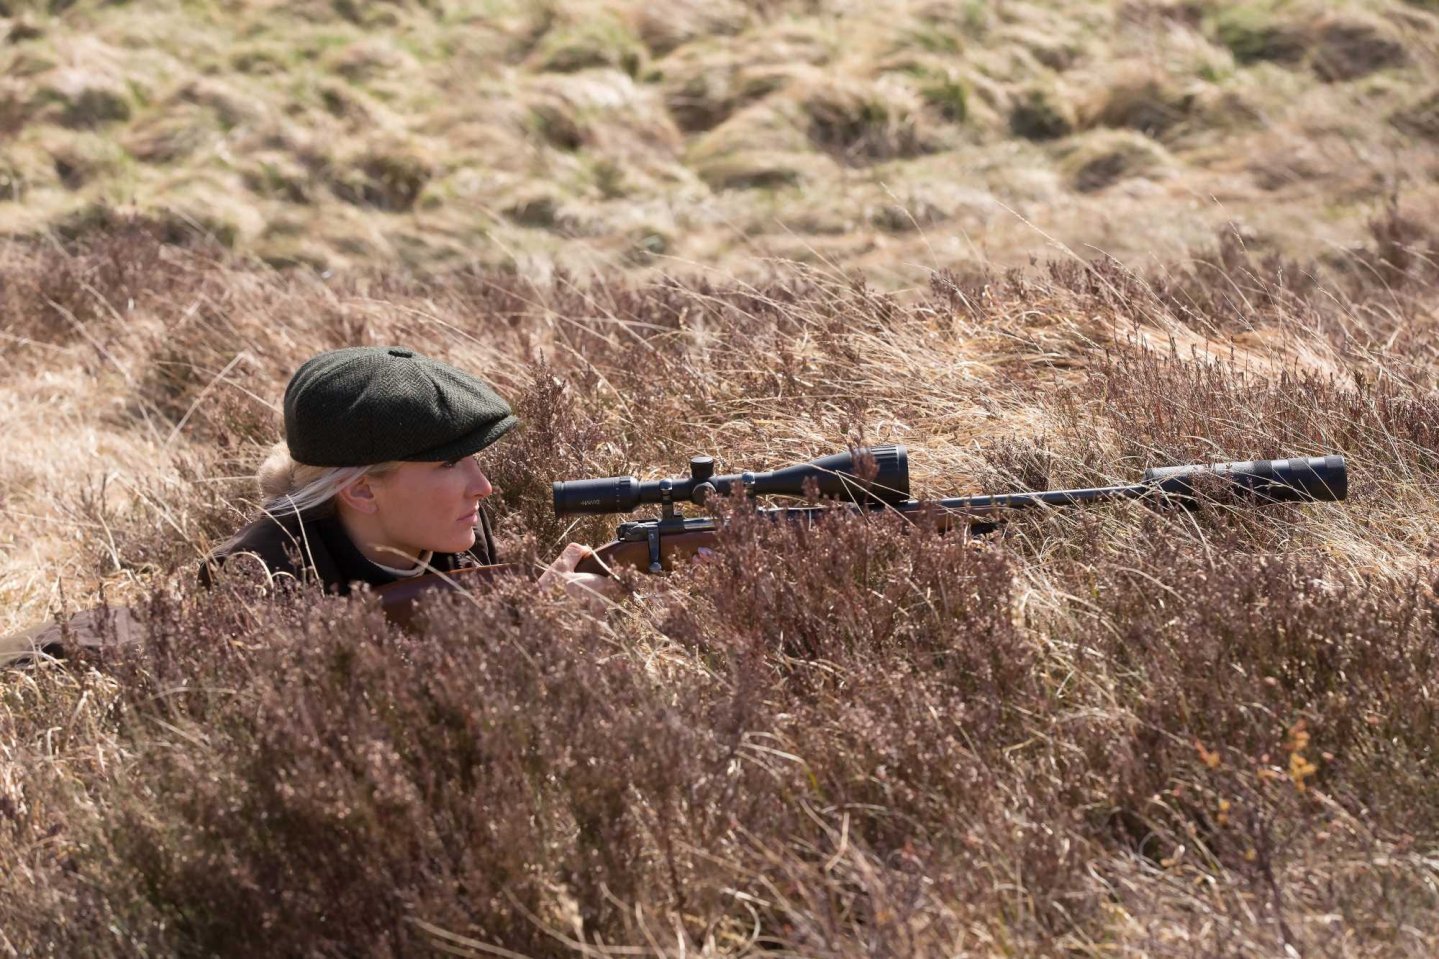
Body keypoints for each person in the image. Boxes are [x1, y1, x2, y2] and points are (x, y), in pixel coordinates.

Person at [201, 345, 614, 606]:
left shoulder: (454, 533)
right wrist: (529, 625)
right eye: (449, 463)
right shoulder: (255, 576)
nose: (483, 487)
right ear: (362, 490)